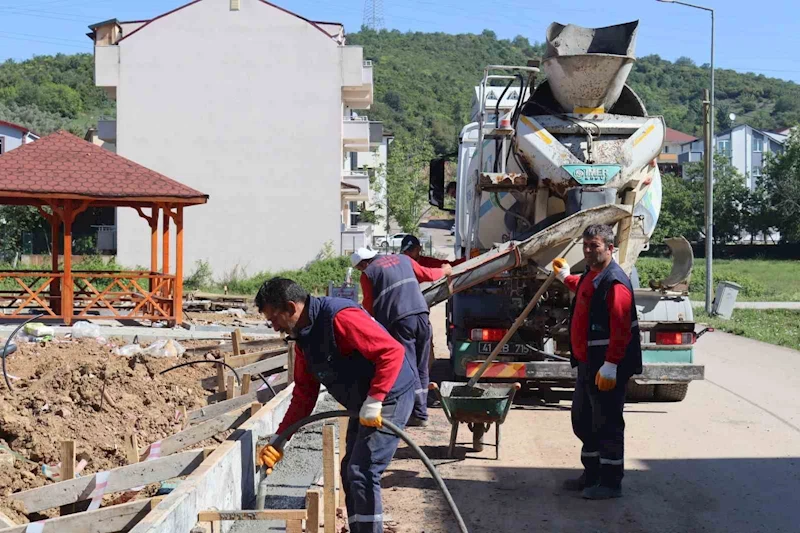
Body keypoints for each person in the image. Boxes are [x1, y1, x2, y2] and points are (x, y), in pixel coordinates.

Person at [254, 278, 416, 533]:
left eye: (274, 319)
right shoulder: (304, 338)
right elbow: (305, 394)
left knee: (362, 470)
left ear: (290, 307)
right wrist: (279, 439)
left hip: (389, 394)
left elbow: (391, 352)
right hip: (364, 400)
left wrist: (375, 399)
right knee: (349, 469)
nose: (274, 328)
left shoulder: (340, 317)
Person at [552, 224, 642, 500]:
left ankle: (610, 482)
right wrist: (565, 276)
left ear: (610, 249)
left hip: (606, 368)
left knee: (607, 424)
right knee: (583, 421)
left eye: (595, 246)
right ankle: (591, 474)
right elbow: (582, 287)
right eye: (586, 245)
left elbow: (621, 328)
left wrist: (612, 364)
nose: (589, 250)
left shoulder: (615, 283)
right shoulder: (593, 276)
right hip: (587, 364)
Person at [352, 247, 452, 427]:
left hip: (399, 321)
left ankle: (418, 414)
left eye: (360, 268)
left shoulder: (368, 274)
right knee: (422, 366)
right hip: (422, 315)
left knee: (410, 366)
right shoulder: (403, 259)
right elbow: (428, 274)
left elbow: (368, 305)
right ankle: (421, 411)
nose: (361, 271)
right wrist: (445, 270)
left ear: (363, 263)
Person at [399, 234, 466, 269]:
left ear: (419, 249)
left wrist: (469, 258)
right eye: (406, 251)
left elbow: (451, 265)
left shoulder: (428, 263)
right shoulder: (399, 267)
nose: (408, 253)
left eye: (411, 250)